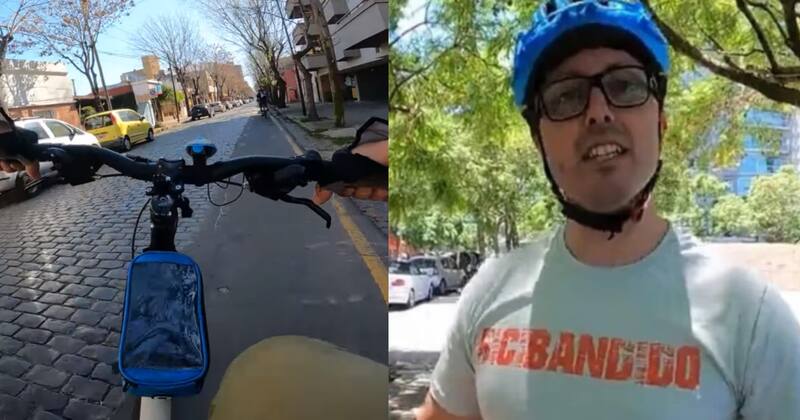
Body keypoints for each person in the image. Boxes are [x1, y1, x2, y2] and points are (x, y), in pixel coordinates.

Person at [416, 1, 800, 419]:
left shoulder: (750, 315)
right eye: (566, 95)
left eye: (626, 85)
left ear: (661, 122)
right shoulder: (490, 290)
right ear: (538, 141)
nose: (599, 112)